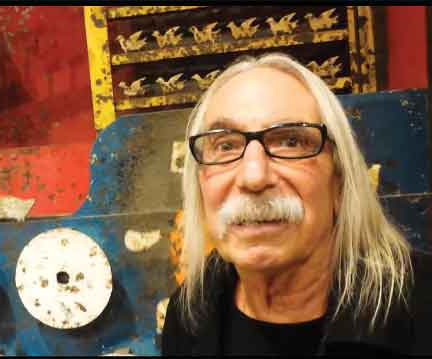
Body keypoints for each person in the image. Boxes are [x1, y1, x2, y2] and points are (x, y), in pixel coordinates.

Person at [161, 53, 432, 356]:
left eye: (290, 141)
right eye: (225, 146)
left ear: (340, 181)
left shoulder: (420, 311)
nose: (254, 177)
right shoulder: (190, 316)